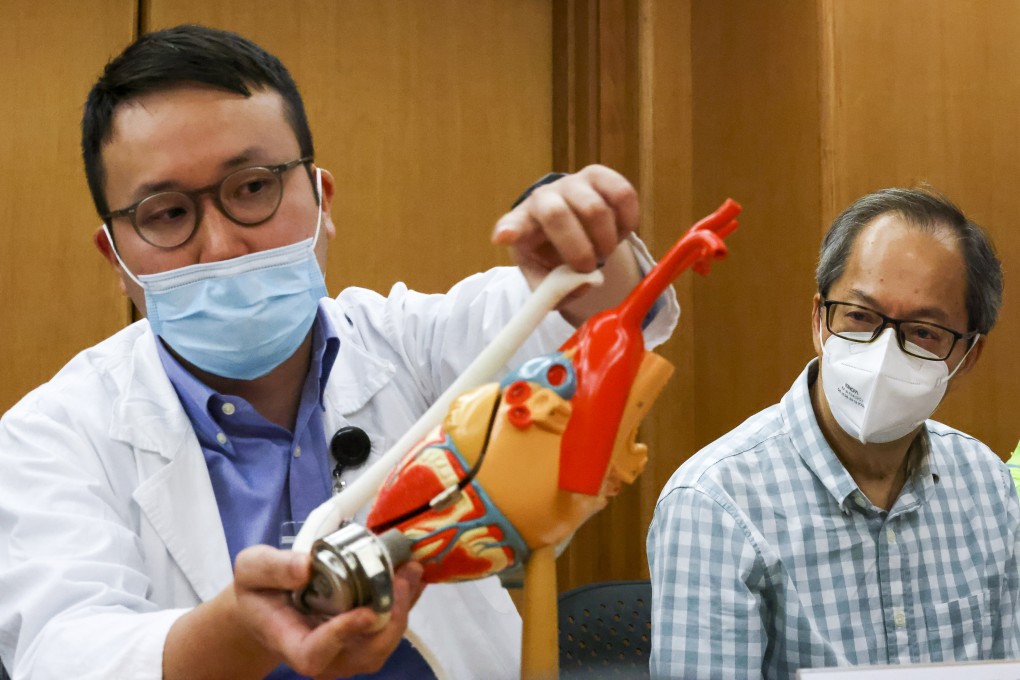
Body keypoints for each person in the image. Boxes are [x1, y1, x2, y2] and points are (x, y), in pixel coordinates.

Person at [0, 24, 679, 680]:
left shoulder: (410, 345)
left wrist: (585, 243)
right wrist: (242, 632)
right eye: (168, 214)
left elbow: (590, 326)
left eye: (253, 188)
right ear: (116, 259)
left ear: (321, 198)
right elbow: (64, 651)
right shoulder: (54, 436)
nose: (222, 245)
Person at [647, 187, 1019, 678]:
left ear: (967, 357)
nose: (885, 352)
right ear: (819, 319)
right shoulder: (716, 503)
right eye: (861, 317)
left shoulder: (987, 486)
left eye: (924, 332)